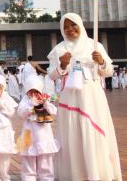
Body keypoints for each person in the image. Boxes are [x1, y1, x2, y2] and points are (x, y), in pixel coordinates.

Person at [48, 13, 122, 180]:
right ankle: (75, 174)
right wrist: (62, 65)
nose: (69, 29)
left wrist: (101, 61)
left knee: (93, 131)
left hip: (92, 97)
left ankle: (98, 173)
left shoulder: (94, 45)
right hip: (70, 98)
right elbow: (52, 76)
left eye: (72, 25)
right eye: (65, 27)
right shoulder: (60, 49)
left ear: (80, 25)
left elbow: (108, 71)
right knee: (73, 134)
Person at [17, 75, 59, 181]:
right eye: (30, 91)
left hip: (43, 134)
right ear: (27, 91)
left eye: (36, 91)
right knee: (28, 158)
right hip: (28, 133)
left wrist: (46, 104)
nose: (33, 94)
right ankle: (28, 178)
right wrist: (31, 105)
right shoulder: (25, 100)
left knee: (45, 159)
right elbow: (21, 113)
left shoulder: (45, 99)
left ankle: (47, 178)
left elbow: (54, 112)